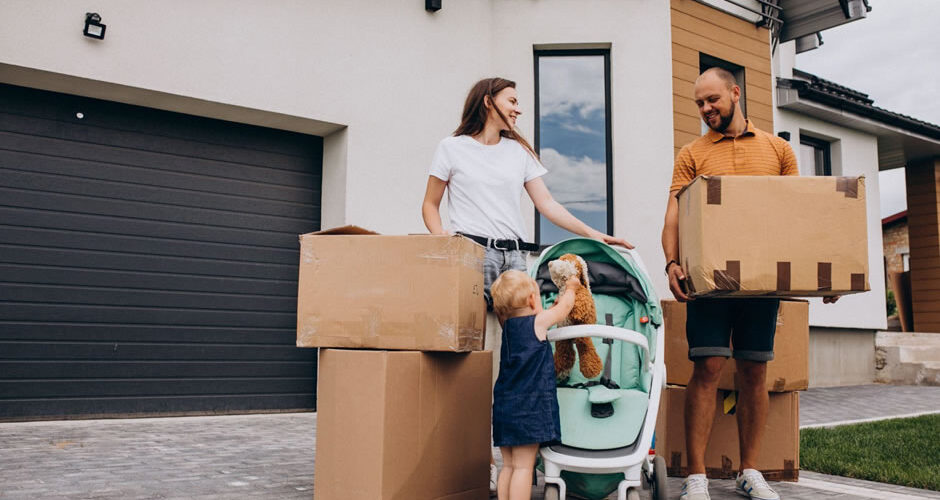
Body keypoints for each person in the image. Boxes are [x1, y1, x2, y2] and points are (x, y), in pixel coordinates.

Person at [421, 76, 631, 492]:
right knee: (473, 358)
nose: (518, 109)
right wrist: (444, 244)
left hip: (514, 259)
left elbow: (547, 205)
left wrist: (596, 235)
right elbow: (429, 205)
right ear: (488, 102)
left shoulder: (518, 153)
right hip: (470, 254)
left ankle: (513, 463)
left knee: (516, 357)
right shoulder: (452, 148)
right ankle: (476, 458)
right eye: (512, 101)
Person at [662, 67, 838, 500]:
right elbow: (673, 215)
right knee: (706, 368)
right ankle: (697, 476)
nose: (706, 110)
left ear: (735, 94)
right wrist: (671, 263)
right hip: (710, 283)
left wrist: (823, 271)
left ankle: (749, 470)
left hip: (761, 284)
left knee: (754, 371)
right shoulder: (692, 153)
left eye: (712, 101)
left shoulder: (778, 151)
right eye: (699, 104)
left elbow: (793, 217)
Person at [489, 269, 578, 500]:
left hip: (504, 407)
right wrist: (571, 288)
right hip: (527, 408)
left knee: (508, 466)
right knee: (523, 468)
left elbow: (529, 314)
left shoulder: (507, 327)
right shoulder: (537, 323)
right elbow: (564, 309)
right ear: (531, 299)